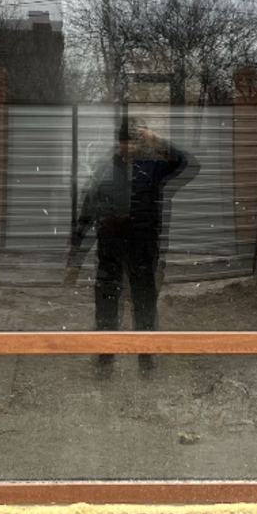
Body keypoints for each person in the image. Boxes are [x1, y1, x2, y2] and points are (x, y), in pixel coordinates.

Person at [64, 120, 199, 369]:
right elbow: (87, 213)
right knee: (107, 300)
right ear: (119, 143)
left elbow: (188, 164)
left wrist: (157, 140)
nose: (131, 146)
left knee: (144, 300)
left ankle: (145, 355)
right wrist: (75, 260)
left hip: (143, 248)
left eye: (136, 141)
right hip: (110, 247)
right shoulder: (104, 169)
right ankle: (106, 355)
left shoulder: (153, 167)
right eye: (126, 141)